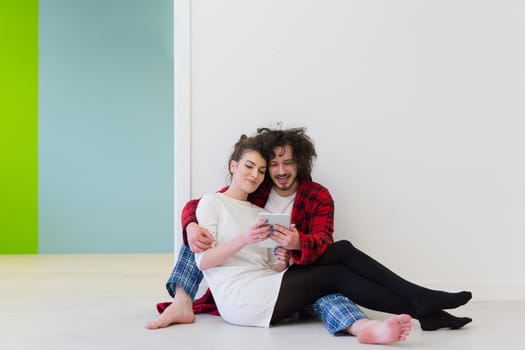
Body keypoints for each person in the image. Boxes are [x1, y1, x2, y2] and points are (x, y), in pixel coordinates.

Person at [146, 127, 472, 333]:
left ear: (300, 163)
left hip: (286, 276)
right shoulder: (252, 193)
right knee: (337, 270)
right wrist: (189, 225)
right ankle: (420, 302)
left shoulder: (314, 196)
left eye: (285, 163)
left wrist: (294, 246)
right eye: (269, 164)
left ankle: (415, 309)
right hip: (254, 293)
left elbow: (317, 244)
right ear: (240, 167)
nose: (276, 171)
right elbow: (206, 206)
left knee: (338, 261)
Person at [194, 134, 413, 344]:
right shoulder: (211, 202)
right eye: (249, 166)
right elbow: (203, 262)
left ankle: (369, 325)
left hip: (265, 284)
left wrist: (282, 258)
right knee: (334, 273)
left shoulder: (258, 212)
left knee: (332, 273)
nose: (255, 175)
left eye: (261, 170)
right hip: (238, 298)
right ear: (234, 166)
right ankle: (417, 307)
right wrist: (243, 239)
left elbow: (272, 268)